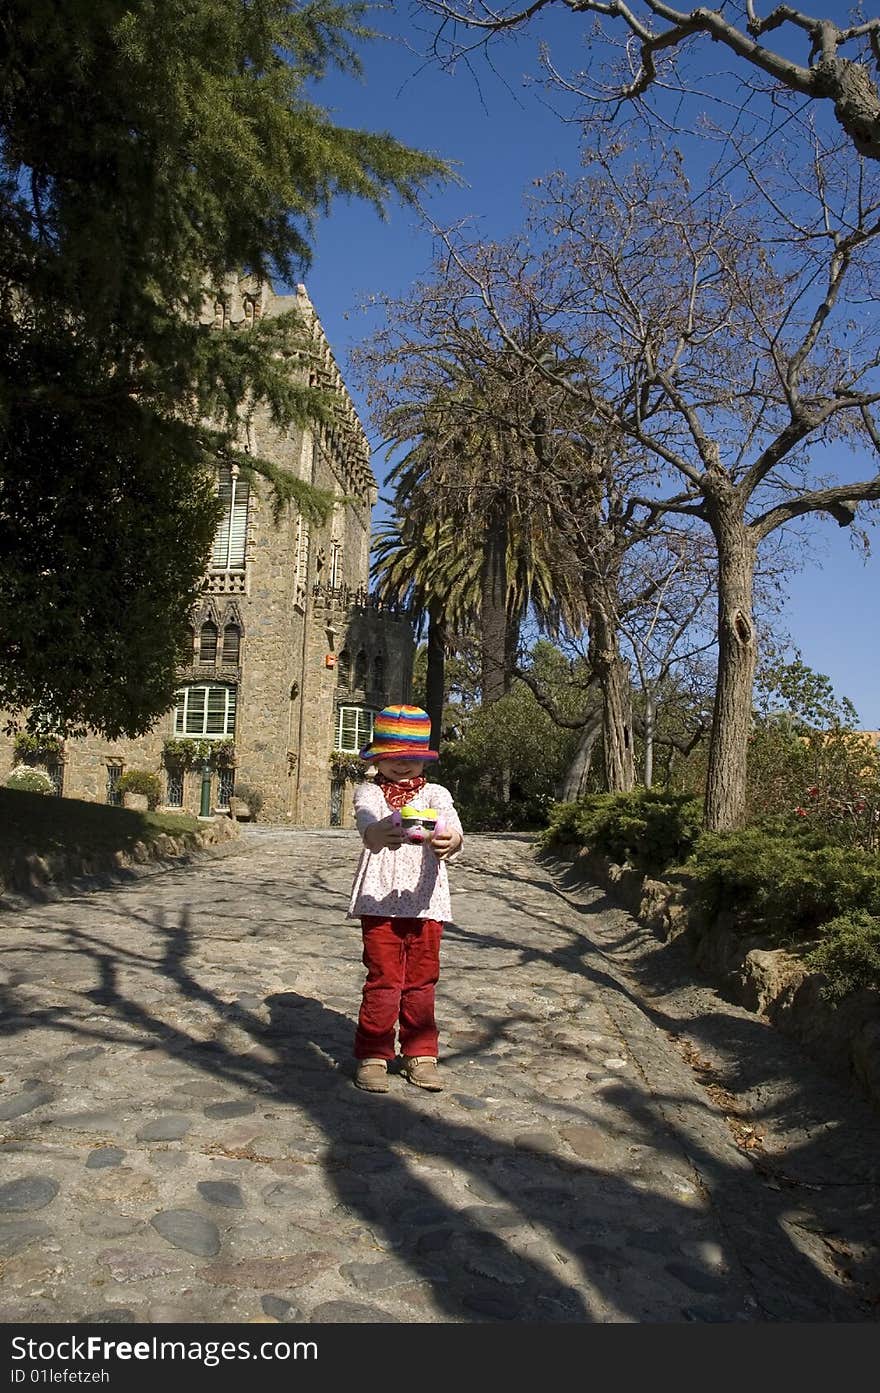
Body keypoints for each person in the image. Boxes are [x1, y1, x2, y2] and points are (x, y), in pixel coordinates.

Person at [347, 704, 463, 1093]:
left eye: (412, 757)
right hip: (379, 900)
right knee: (383, 978)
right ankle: (374, 1053)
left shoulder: (436, 794)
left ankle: (421, 1052)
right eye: (393, 758)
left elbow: (453, 826)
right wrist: (378, 832)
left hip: (425, 900)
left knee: (422, 978)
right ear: (378, 757)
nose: (402, 765)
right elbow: (367, 823)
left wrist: (450, 839)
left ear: (423, 759)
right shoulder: (371, 792)